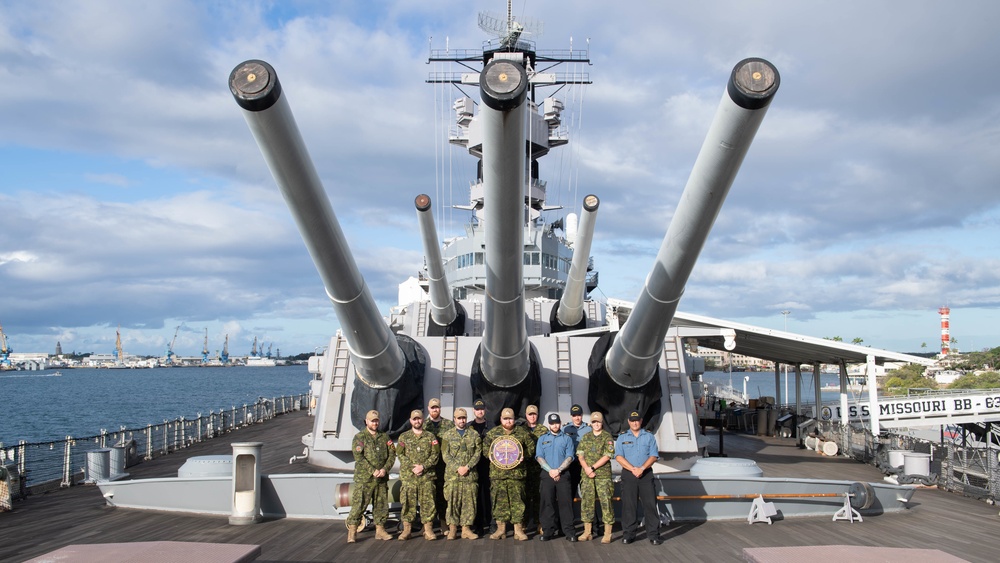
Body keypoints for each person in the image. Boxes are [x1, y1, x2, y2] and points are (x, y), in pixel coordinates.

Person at [483, 407, 535, 540]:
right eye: (505, 419)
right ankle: (501, 529)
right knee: (499, 503)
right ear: (501, 419)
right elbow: (485, 450)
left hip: (516, 475)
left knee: (518, 502)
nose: (508, 421)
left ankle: (518, 530)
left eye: (510, 418)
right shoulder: (493, 433)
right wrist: (492, 455)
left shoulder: (522, 433)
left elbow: (531, 449)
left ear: (514, 419)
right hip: (498, 475)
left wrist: (524, 455)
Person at [346, 409, 396, 543]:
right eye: (372, 421)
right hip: (365, 479)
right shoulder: (360, 437)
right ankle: (352, 531)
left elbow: (392, 454)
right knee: (359, 504)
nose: (375, 423)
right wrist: (372, 470)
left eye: (376, 421)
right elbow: (359, 457)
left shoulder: (384, 437)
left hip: (381, 478)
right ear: (366, 421)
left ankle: (380, 530)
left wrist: (385, 469)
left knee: (381, 505)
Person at [614, 411, 662, 545]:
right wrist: (633, 469)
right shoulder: (622, 437)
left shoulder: (649, 437)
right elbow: (618, 456)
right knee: (629, 506)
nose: (635, 422)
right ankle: (629, 534)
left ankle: (653, 535)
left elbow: (653, 455)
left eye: (637, 420)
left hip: (645, 474)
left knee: (650, 505)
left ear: (641, 421)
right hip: (629, 475)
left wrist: (641, 468)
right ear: (629, 422)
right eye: (632, 420)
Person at [395, 409, 440, 541]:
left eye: (419, 419)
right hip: (409, 477)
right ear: (411, 421)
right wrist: (412, 467)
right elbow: (400, 454)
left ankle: (428, 530)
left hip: (426, 476)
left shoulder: (430, 437)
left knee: (428, 503)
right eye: (414, 419)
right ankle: (407, 530)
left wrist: (423, 466)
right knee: (408, 503)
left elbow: (435, 454)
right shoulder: (404, 437)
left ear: (423, 420)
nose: (417, 421)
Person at [440, 407, 482, 540]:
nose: (462, 420)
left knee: (469, 503)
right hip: (453, 476)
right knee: (453, 503)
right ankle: (452, 529)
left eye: (463, 418)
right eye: (459, 418)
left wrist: (468, 466)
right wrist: (457, 467)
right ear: (454, 419)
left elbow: (478, 453)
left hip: (469, 476)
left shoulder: (474, 434)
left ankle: (466, 529)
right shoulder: (447, 435)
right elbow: (445, 455)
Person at [535, 413, 577, 542]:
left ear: (560, 423)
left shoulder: (567, 439)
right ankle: (548, 530)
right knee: (547, 503)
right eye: (552, 423)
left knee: (566, 503)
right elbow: (539, 456)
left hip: (563, 474)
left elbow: (570, 456)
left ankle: (568, 531)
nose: (555, 425)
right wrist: (551, 471)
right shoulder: (542, 439)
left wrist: (558, 470)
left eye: (557, 423)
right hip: (547, 474)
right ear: (549, 424)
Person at [576, 411, 616, 543]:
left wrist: (592, 468)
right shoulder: (586, 437)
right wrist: (587, 468)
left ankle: (607, 533)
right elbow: (580, 455)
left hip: (602, 476)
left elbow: (607, 455)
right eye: (594, 422)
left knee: (606, 503)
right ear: (591, 423)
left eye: (598, 422)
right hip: (587, 476)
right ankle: (587, 532)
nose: (596, 424)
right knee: (587, 503)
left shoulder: (607, 437)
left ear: (602, 422)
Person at [424, 397, 454, 533]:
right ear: (428, 409)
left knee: (443, 495)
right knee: (428, 495)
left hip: (443, 465)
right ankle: (427, 525)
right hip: (428, 466)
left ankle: (443, 523)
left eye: (437, 407)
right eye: (432, 407)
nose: (435, 410)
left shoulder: (449, 425)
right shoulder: (423, 426)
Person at [468, 399, 492, 535]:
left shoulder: (492, 426)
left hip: (488, 466)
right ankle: (477, 524)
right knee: (475, 495)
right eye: (477, 409)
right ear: (474, 411)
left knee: (488, 494)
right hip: (473, 466)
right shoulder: (469, 427)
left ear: (485, 410)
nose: (480, 411)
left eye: (482, 409)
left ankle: (490, 522)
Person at [522, 404, 545, 534]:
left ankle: (539, 522)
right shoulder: (520, 430)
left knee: (538, 497)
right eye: (530, 414)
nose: (532, 416)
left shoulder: (543, 430)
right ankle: (523, 522)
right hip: (524, 468)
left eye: (534, 414)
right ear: (526, 415)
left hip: (539, 469)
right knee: (523, 496)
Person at [562, 404, 590, 498]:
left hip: (585, 465)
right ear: (571, 416)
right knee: (570, 493)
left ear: (582, 415)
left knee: (587, 495)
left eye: (578, 415)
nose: (577, 418)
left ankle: (591, 513)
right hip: (571, 465)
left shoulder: (589, 429)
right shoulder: (565, 429)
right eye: (574, 415)